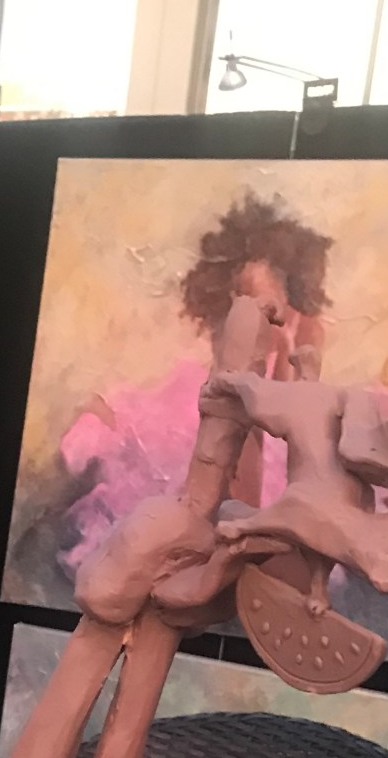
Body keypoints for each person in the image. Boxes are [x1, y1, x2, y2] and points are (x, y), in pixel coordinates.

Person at [55, 191, 333, 584]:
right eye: (243, 304)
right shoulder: (188, 401)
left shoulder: (308, 413)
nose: (256, 319)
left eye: (271, 310)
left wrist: (291, 367)